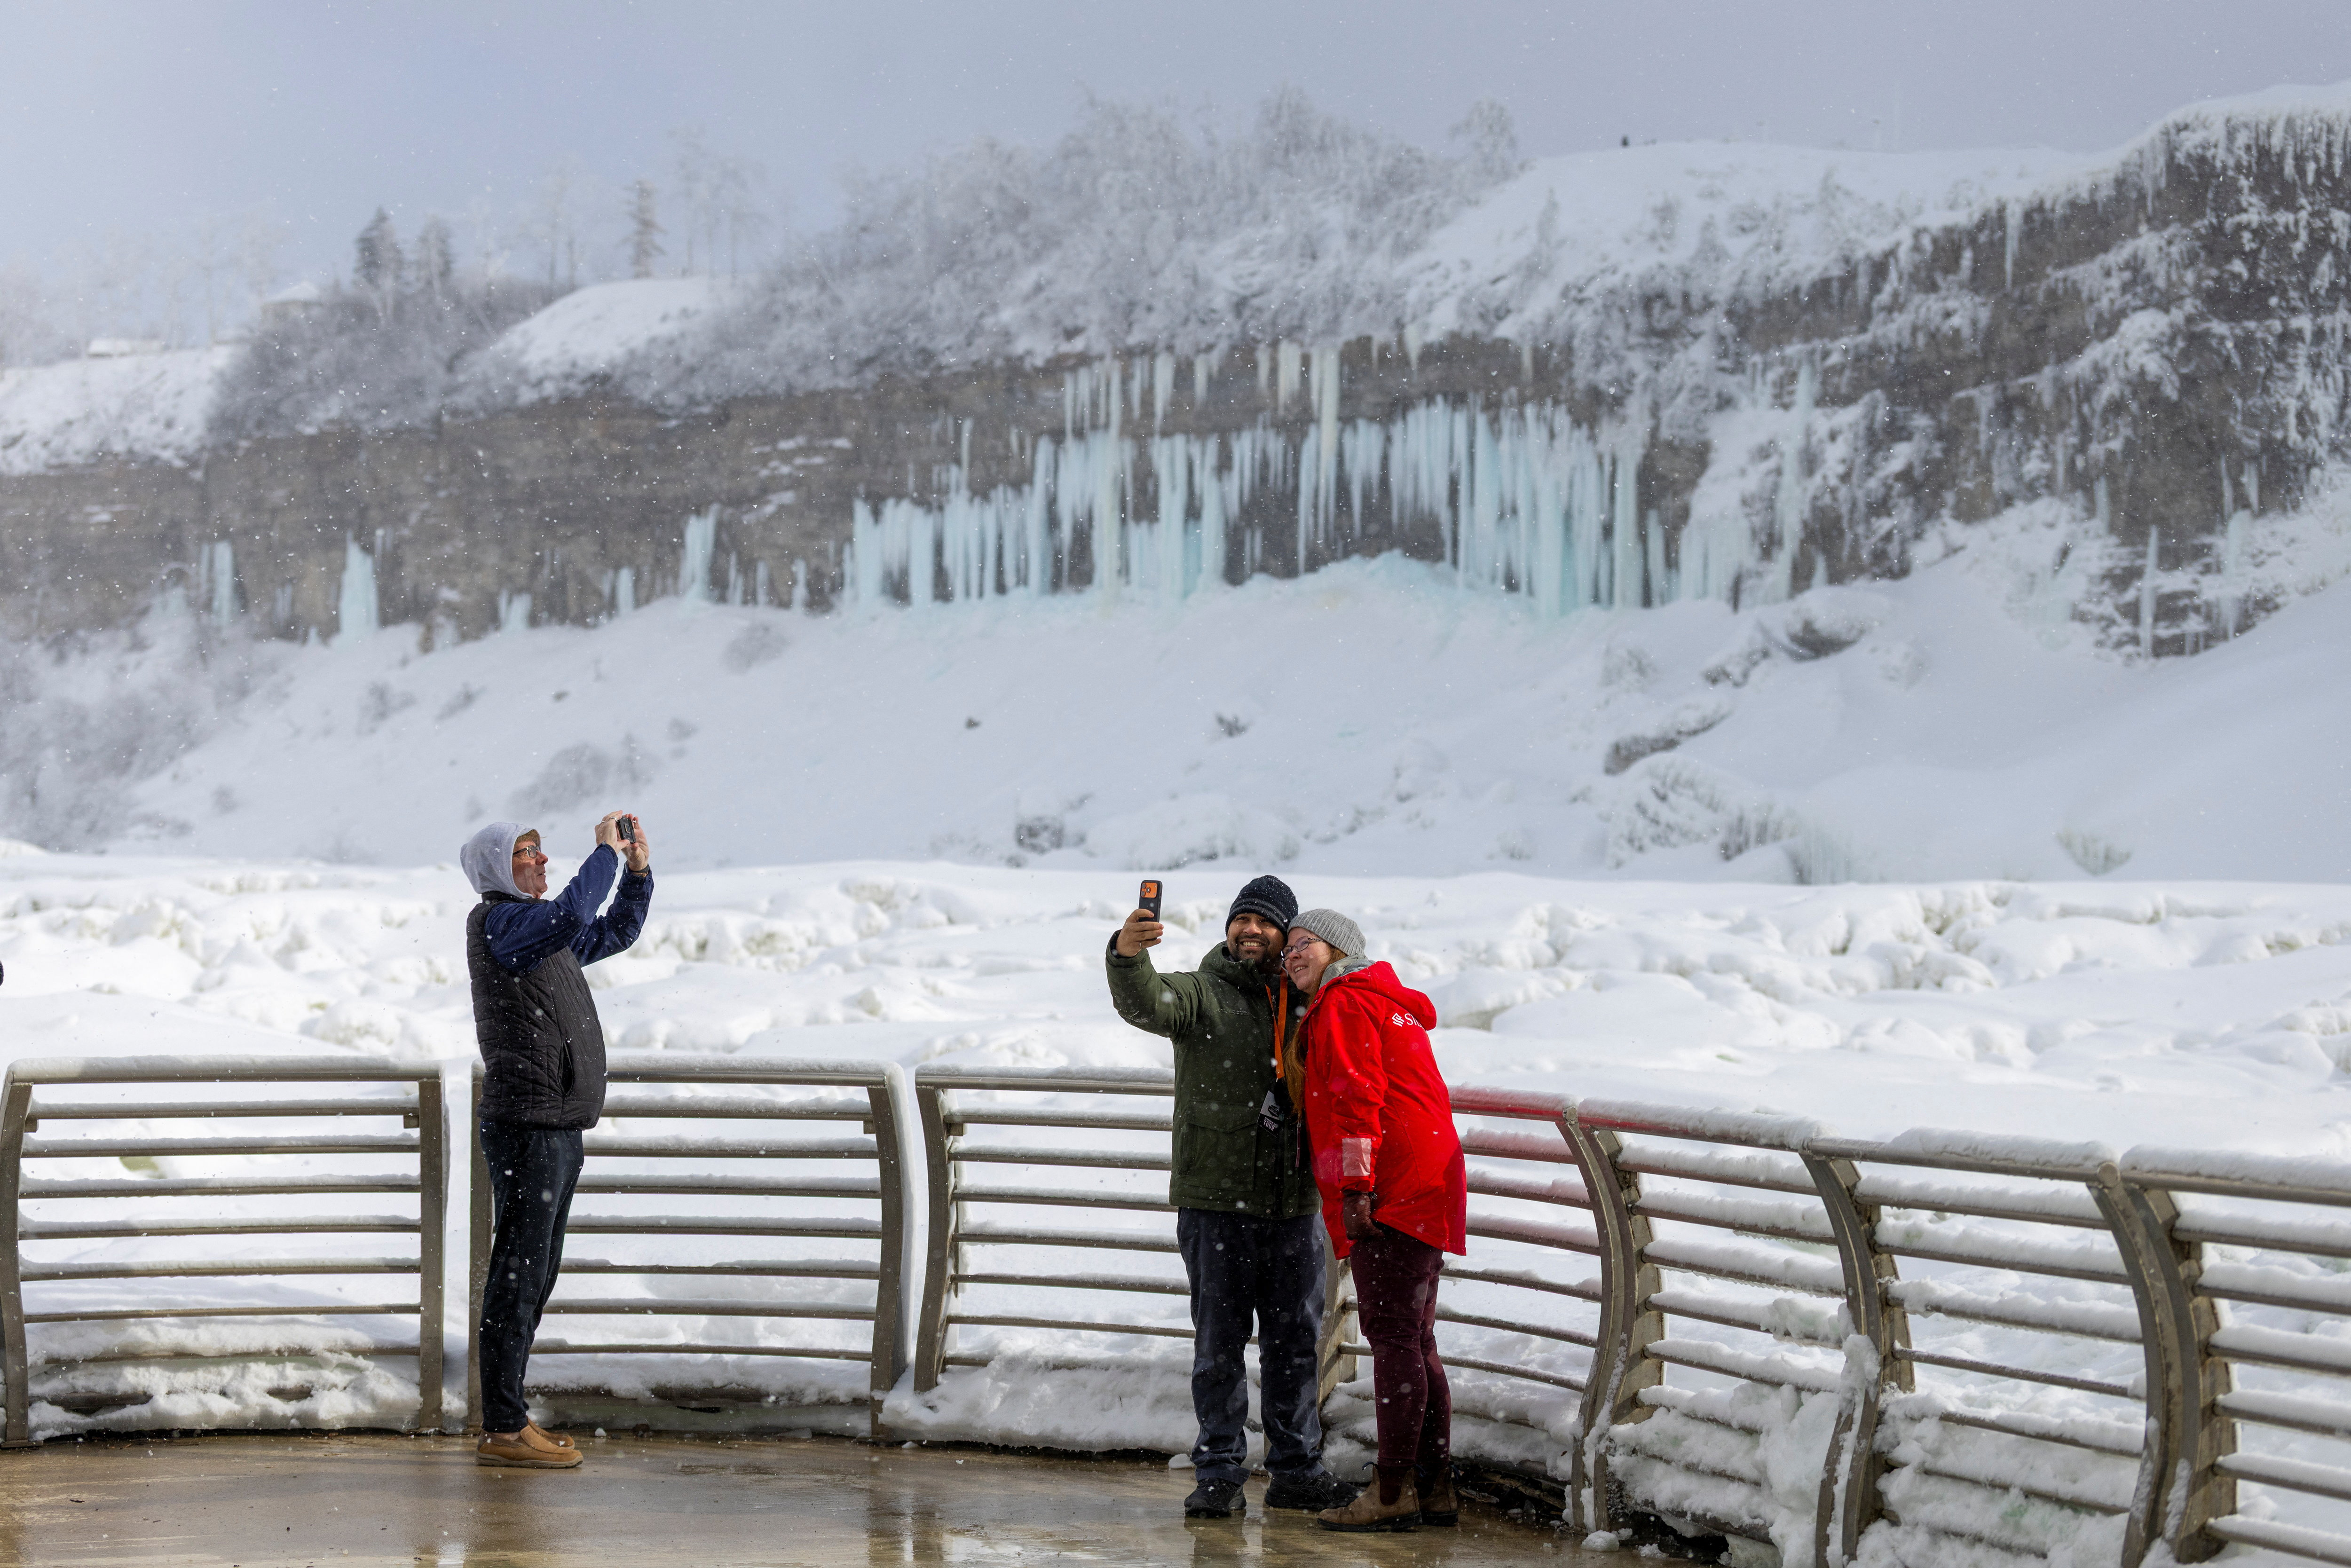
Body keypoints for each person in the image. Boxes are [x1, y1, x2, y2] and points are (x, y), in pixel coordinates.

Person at [1106, 875, 1357, 1520]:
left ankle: (1296, 1468)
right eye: (1241, 919)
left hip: (1294, 1204)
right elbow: (1148, 1003)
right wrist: (1128, 955)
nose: (1251, 930)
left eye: (1266, 923)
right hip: (1216, 1201)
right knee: (1219, 1343)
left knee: (1295, 1341)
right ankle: (1218, 1470)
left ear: (1287, 936)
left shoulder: (1309, 1002)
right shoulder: (1201, 992)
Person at [458, 812, 653, 1469]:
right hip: (528, 1129)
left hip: (557, 1128)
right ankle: (504, 1430)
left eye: (542, 851)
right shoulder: (503, 926)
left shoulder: (542, 936)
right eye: (526, 853)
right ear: (495, 870)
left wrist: (636, 871)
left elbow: (614, 931)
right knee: (517, 1280)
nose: (542, 860)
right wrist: (599, 854)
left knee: (535, 1277)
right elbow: (572, 916)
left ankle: (511, 1420)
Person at [1280, 908, 1467, 1534]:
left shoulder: (1344, 1003)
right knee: (1416, 1340)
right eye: (1289, 948)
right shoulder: (1391, 1002)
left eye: (1304, 943)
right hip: (1430, 1177)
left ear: (1338, 951)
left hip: (1393, 1187)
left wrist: (1358, 1189)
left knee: (1392, 1339)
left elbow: (1358, 1096)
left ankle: (1391, 1493)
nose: (1293, 955)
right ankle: (1434, 1485)